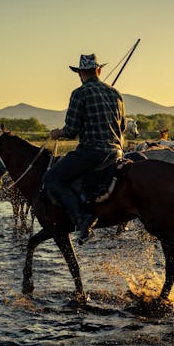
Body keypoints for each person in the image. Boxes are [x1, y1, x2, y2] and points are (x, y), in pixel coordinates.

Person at [43, 53, 126, 244]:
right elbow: (121, 128)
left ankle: (82, 218)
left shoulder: (79, 93)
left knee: (51, 178)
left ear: (80, 73)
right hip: (116, 152)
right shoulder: (115, 93)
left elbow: (71, 131)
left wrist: (58, 133)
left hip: (92, 152)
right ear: (99, 70)